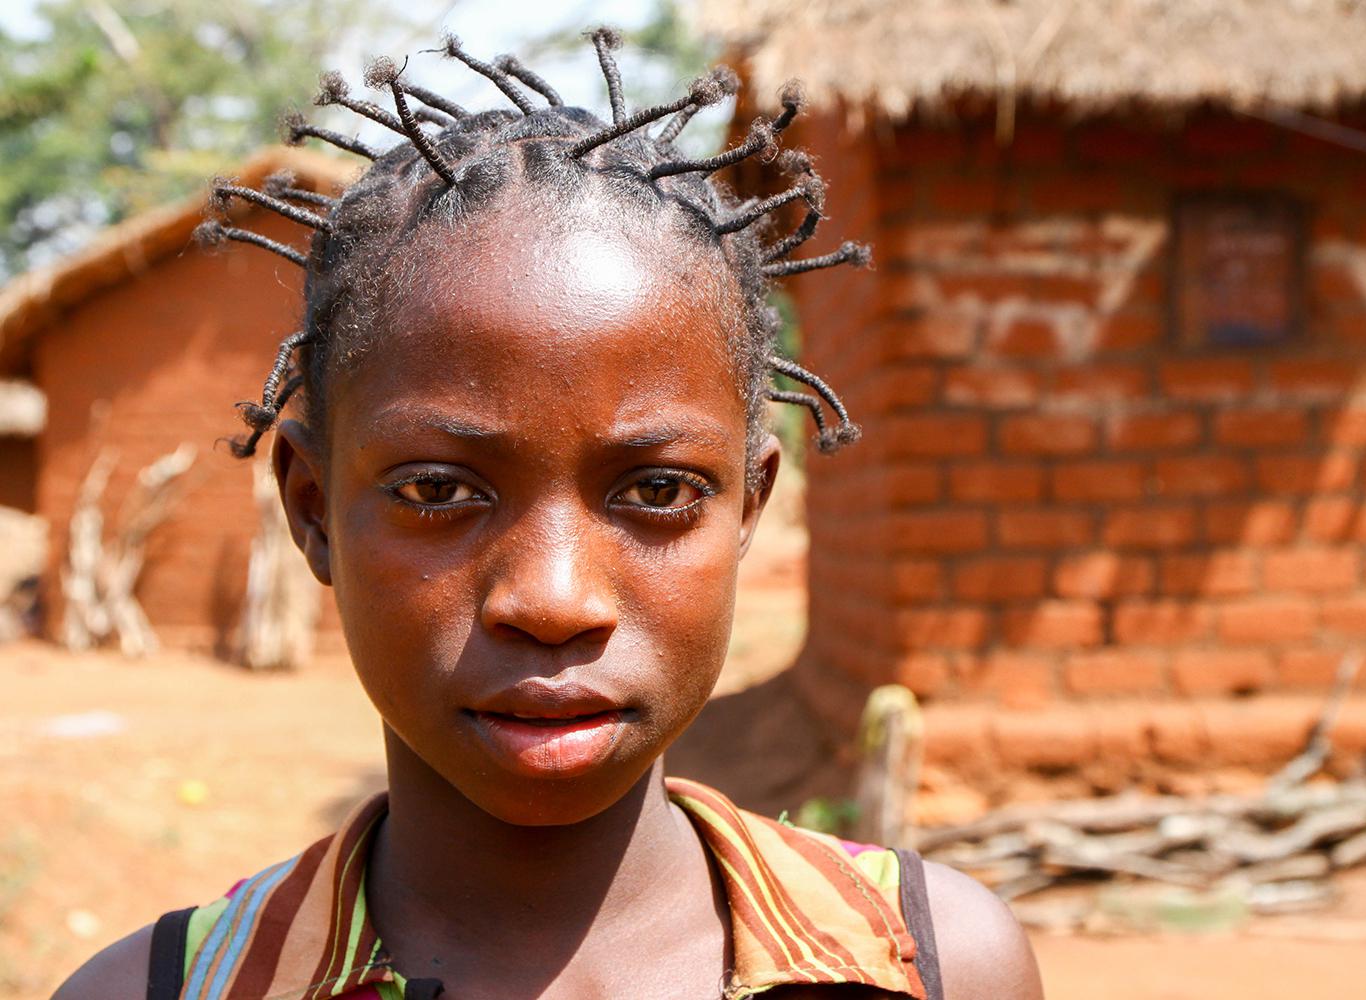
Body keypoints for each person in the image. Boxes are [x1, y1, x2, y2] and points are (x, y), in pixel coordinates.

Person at [54, 26, 1042, 1000]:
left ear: (748, 506)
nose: (555, 598)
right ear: (312, 511)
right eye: (439, 491)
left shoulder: (925, 965)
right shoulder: (169, 989)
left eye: (657, 491)